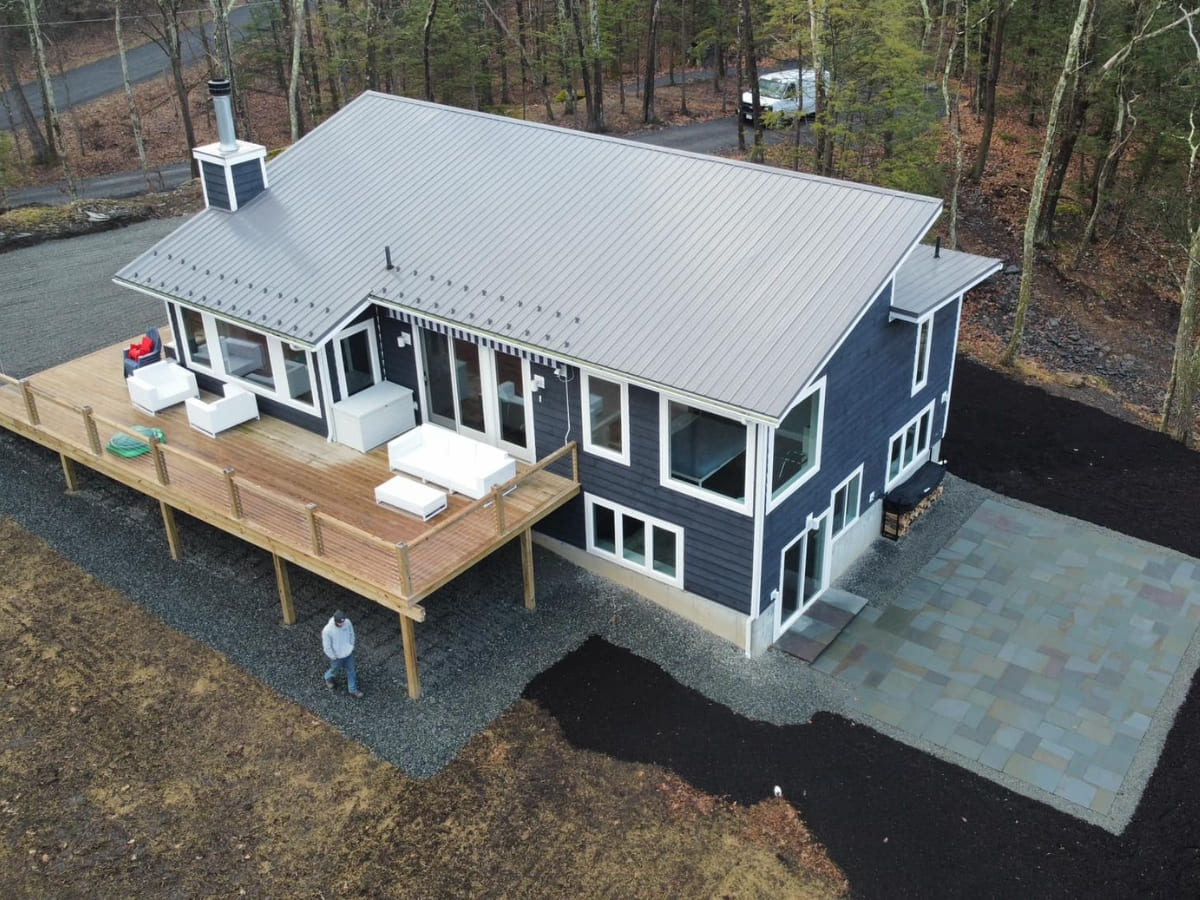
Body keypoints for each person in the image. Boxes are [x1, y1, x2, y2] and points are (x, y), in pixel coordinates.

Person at [322, 610, 363, 698]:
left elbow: (352, 634)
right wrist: (333, 656)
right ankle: (328, 677)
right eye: (340, 623)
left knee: (351, 671)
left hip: (348, 653)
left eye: (343, 622)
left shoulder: (347, 623)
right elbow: (327, 647)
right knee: (335, 670)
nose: (342, 624)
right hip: (337, 657)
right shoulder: (327, 631)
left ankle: (353, 690)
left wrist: (351, 645)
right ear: (336, 621)